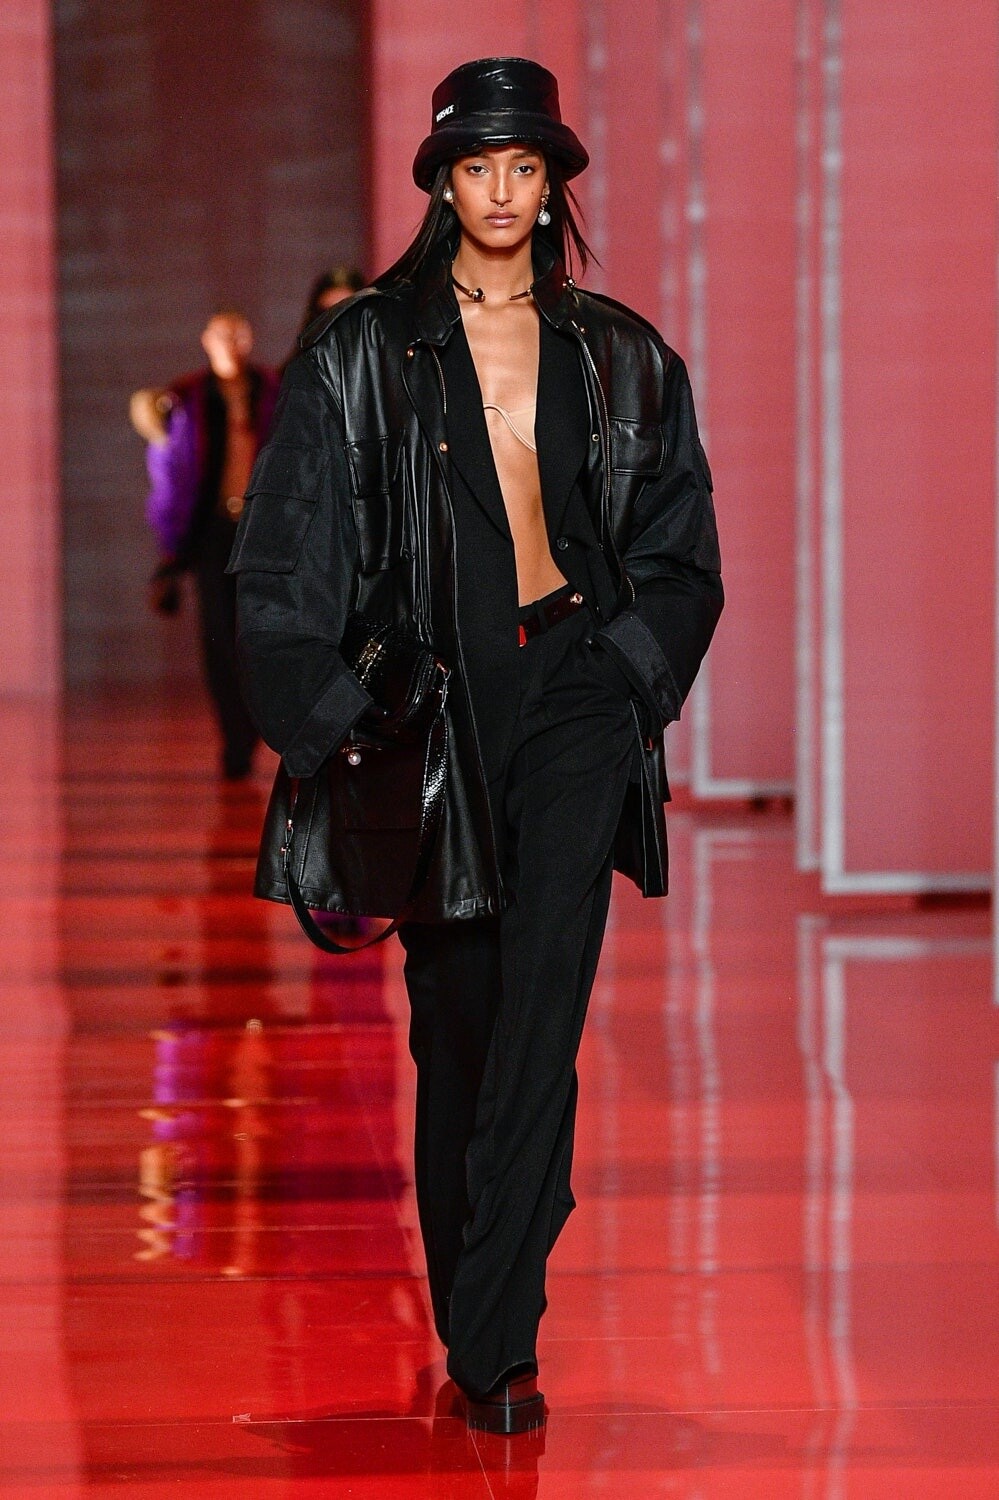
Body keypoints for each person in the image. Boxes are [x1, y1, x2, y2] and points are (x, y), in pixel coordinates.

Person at [228, 57, 723, 1432]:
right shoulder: (358, 353)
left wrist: (627, 677)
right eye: (476, 165)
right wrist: (333, 723)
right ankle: (474, 1311)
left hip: (574, 697)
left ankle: (500, 1345)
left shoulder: (622, 354)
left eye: (524, 165)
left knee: (540, 1012)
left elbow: (679, 551)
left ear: (551, 184)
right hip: (432, 719)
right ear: (442, 184)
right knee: (458, 1025)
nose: (501, 189)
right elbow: (283, 554)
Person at [130, 309, 280, 780]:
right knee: (219, 637)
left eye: (237, 334)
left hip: (264, 530)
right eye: (222, 335)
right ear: (207, 341)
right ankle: (236, 739)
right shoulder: (188, 397)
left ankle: (258, 726)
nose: (230, 343)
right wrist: (172, 549)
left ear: (248, 339)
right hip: (214, 531)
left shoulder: (272, 390)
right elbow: (172, 478)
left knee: (263, 634)